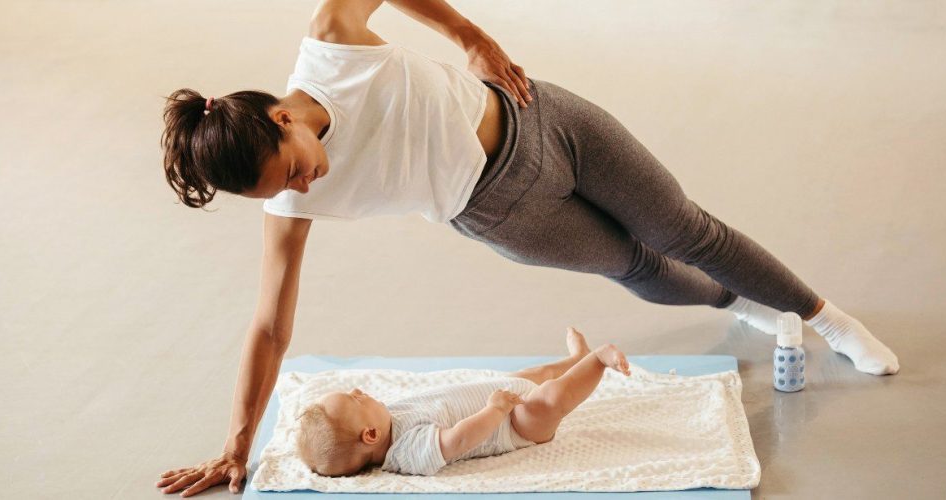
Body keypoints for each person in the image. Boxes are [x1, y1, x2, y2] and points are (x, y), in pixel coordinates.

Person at [156, 0, 899, 496]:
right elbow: (268, 326)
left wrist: (473, 39)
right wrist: (234, 444)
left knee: (685, 228)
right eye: (280, 191)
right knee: (639, 266)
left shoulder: (331, 48)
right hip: (503, 213)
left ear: (285, 116)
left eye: (292, 168)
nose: (301, 190)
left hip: (540, 115)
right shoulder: (288, 202)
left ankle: (828, 319)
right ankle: (741, 301)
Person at [296, 327, 629, 477]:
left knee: (538, 373)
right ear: (369, 436)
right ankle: (598, 361)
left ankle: (576, 358)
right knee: (550, 398)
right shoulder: (406, 451)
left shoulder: (385, 420)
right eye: (355, 399)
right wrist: (496, 410)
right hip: (513, 426)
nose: (360, 391)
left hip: (501, 393)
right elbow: (458, 440)